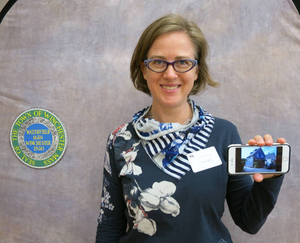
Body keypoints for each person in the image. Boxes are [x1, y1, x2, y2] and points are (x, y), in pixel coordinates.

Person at [95, 14, 285, 243]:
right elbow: (109, 226)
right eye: (158, 62)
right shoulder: (120, 141)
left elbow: (249, 222)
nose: (170, 73)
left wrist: (269, 180)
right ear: (143, 69)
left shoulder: (223, 134)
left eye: (183, 62)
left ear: (197, 71)